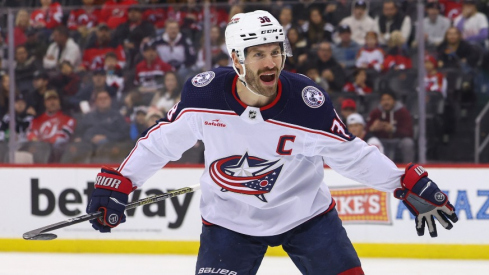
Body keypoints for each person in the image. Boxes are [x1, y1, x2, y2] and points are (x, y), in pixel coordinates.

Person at [85, 11, 458, 275]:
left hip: (307, 216)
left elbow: (350, 154)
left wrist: (401, 181)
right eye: (259, 53)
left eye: (275, 50)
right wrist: (123, 180)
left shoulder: (306, 102)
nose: (271, 61)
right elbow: (159, 144)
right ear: (236, 59)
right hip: (229, 221)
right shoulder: (205, 96)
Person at [24, 90, 76, 163]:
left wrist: (44, 144)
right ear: (45, 103)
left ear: (59, 101)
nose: (52, 102)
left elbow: (63, 136)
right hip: (38, 151)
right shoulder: (37, 120)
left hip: (57, 154)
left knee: (59, 142)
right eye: (49, 100)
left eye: (54, 99)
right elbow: (31, 133)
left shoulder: (68, 119)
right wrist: (35, 140)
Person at [366, 91, 415, 163]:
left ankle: (409, 167)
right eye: (383, 100)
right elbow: (365, 131)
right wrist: (372, 128)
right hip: (381, 141)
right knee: (372, 141)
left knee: (408, 143)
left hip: (398, 140)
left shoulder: (403, 112)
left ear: (394, 101)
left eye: (388, 99)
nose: (386, 102)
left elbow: (409, 132)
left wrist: (393, 130)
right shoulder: (376, 112)